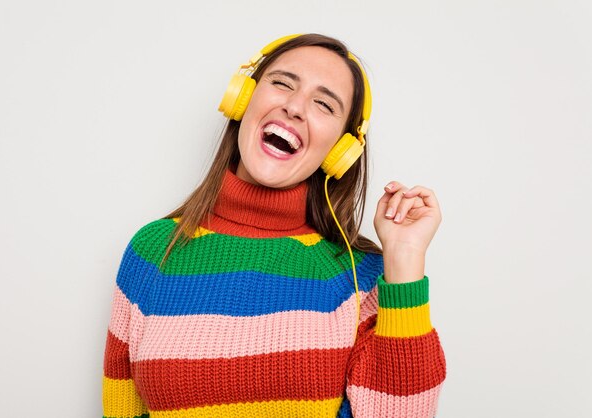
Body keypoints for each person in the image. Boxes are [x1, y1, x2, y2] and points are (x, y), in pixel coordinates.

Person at [101, 33, 446, 418]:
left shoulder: (359, 275)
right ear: (242, 99)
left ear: (340, 150)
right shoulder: (152, 252)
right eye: (282, 83)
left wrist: (404, 260)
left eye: (323, 103)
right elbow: (121, 409)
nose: (295, 107)